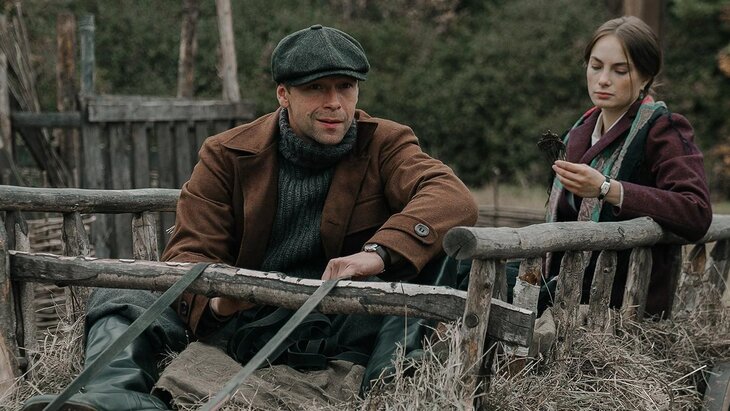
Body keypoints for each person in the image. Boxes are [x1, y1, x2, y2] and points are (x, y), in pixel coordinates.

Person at [23, 24, 477, 411]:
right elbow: (188, 253)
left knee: (438, 268)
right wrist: (223, 300)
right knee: (124, 291)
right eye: (316, 88)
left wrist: (376, 253)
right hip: (247, 315)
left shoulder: (385, 143)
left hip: (341, 317)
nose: (335, 103)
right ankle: (112, 398)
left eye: (345, 87)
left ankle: (389, 393)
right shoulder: (227, 153)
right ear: (283, 94)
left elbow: (450, 196)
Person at [539, 16, 712, 317]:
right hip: (560, 285)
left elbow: (696, 211)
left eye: (620, 70)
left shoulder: (662, 129)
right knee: (461, 269)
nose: (603, 79)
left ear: (645, 77)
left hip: (620, 304)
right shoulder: (577, 132)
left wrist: (608, 189)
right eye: (596, 66)